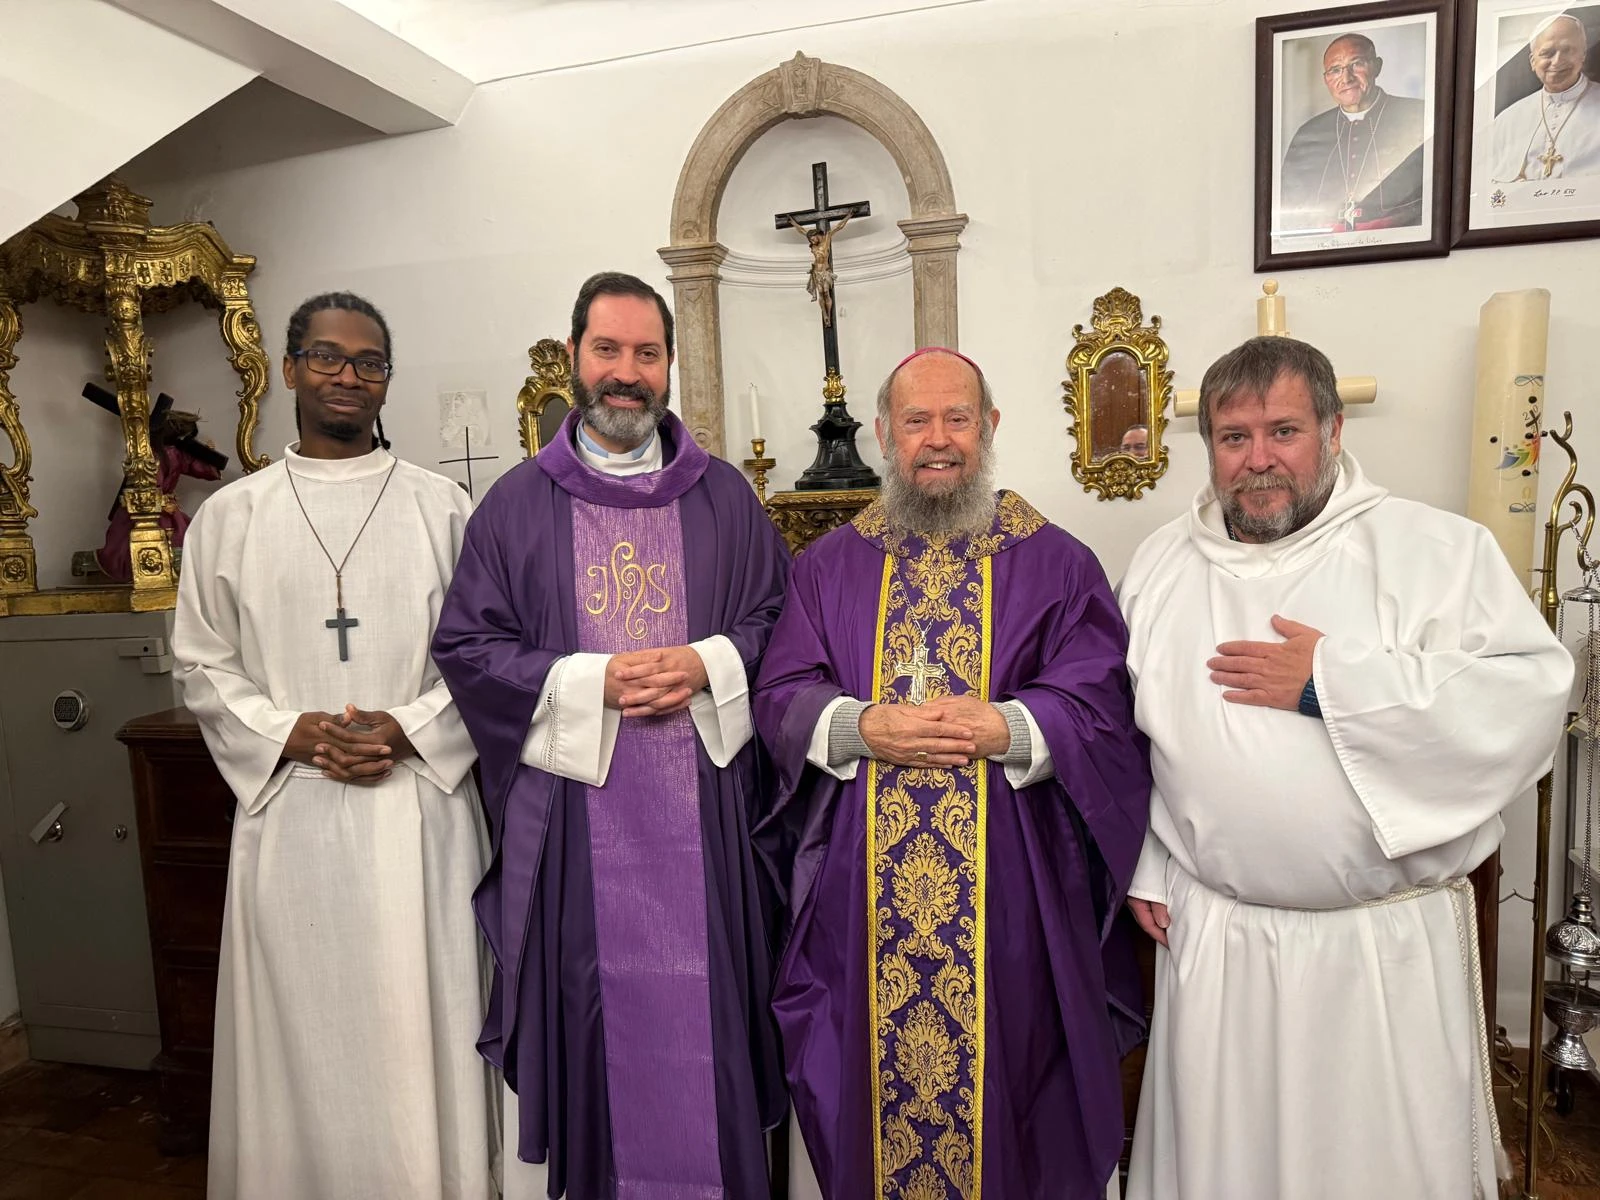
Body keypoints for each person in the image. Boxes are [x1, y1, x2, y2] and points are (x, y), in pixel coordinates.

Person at [1119, 336, 1573, 1200]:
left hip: (1374, 955)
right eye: (1234, 437)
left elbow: (1530, 696)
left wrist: (1333, 682)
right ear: (1208, 446)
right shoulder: (1161, 565)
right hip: (1219, 943)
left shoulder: (1433, 550)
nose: (1258, 459)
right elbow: (1136, 735)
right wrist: (1151, 859)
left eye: (1283, 431)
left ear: (1332, 431)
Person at [753, 347, 1151, 1200]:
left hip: (1014, 910)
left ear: (990, 427)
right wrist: (861, 725)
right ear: (884, 434)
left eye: (957, 419)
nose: (938, 440)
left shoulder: (1057, 564)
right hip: (862, 913)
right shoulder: (827, 567)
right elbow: (780, 694)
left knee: (1018, 1099)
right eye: (917, 421)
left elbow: (1102, 706)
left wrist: (1009, 725)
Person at [431, 271, 790, 1200]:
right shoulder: (516, 506)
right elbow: (469, 647)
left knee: (710, 1025)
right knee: (597, 1022)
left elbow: (781, 626)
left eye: (646, 353)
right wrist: (585, 681)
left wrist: (708, 663)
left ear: (669, 366)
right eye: (608, 350)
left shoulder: (726, 500)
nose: (626, 373)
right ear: (573, 357)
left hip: (708, 826)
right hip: (576, 831)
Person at [173, 292, 495, 1199]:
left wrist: (408, 727)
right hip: (291, 820)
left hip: (420, 820)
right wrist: (291, 732)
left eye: (368, 362)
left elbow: (486, 658)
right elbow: (200, 663)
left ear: (387, 379)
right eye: (326, 356)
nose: (347, 376)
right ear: (288, 369)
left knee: (418, 1024)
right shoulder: (230, 517)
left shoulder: (444, 509)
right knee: (302, 1037)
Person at [1279, 32, 1426, 233]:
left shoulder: (1419, 116)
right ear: (1326, 79)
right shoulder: (1308, 134)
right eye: (1335, 70)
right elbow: (1289, 208)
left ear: (1377, 66)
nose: (1346, 78)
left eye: (1356, 64)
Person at [1490, 14, 1600, 182]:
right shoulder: (1507, 120)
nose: (1557, 61)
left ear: (1582, 55)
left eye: (1567, 50)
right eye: (1547, 53)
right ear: (1533, 61)